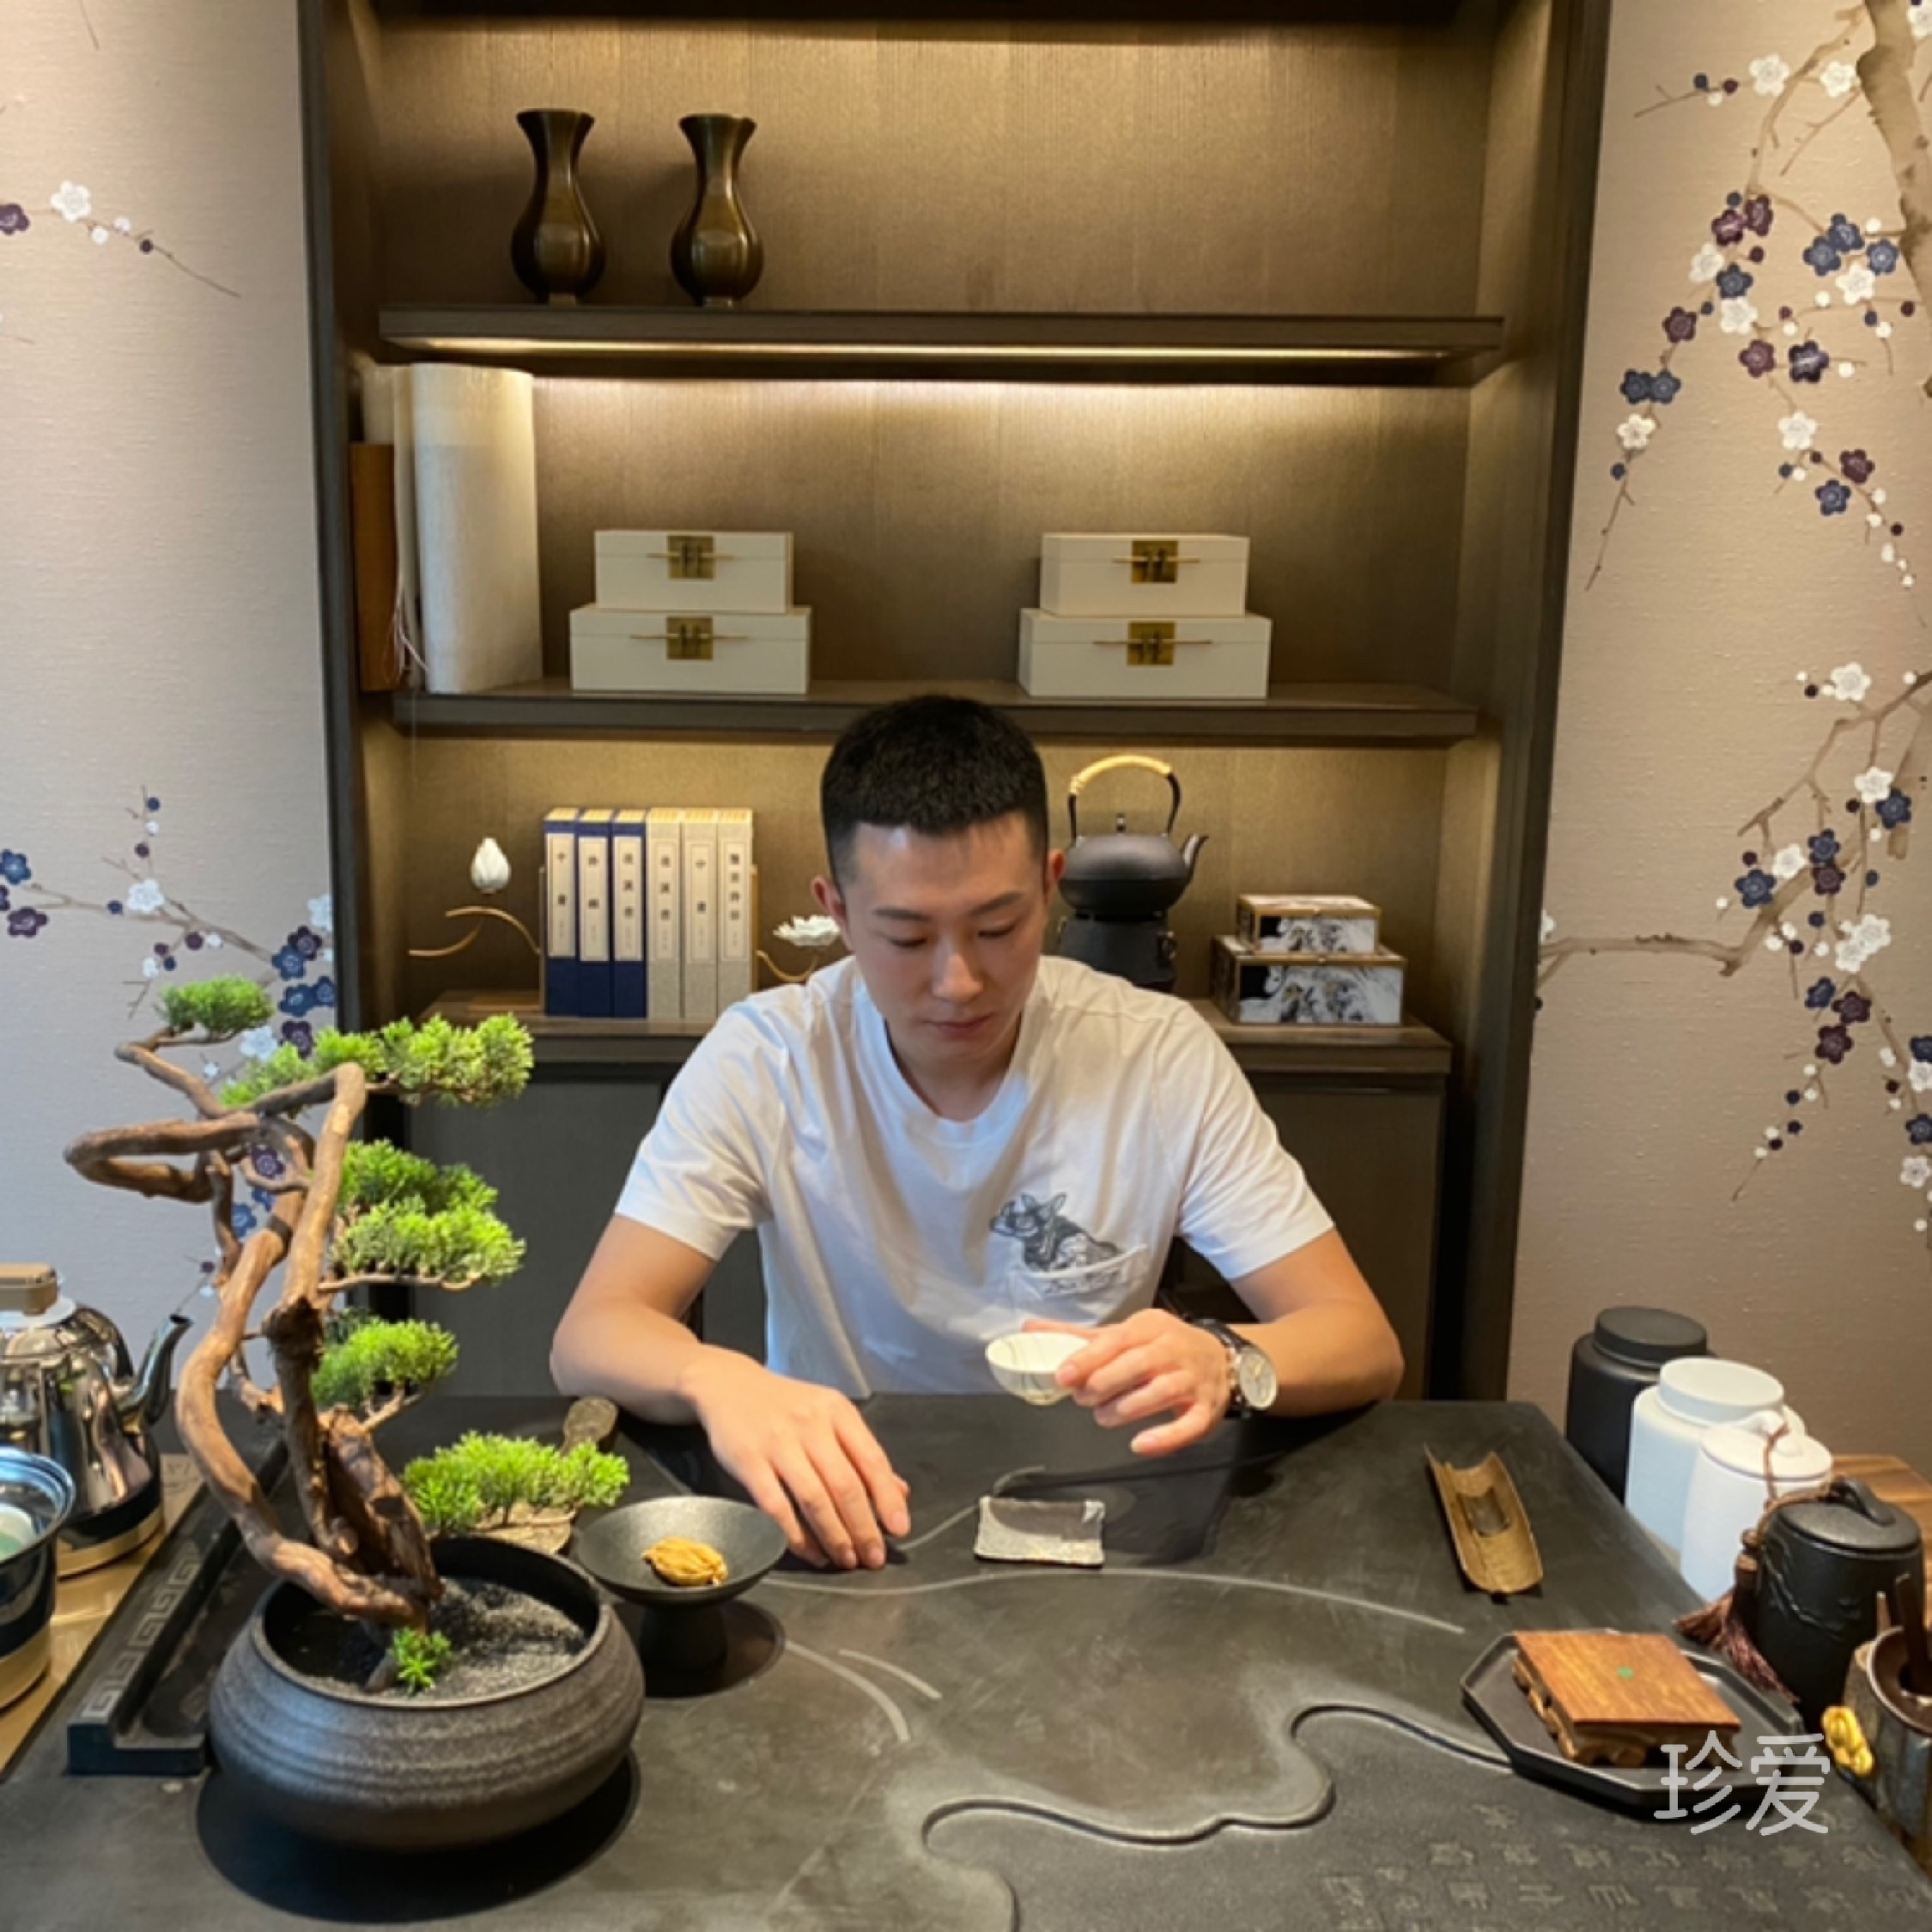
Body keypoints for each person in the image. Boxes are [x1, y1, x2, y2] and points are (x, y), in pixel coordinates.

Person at [551, 696, 1402, 1571]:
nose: (958, 981)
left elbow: (1360, 1338)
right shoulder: (767, 1058)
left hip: (1099, 1508)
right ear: (838, 911)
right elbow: (593, 1331)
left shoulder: (1155, 1055)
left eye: (998, 928)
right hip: (840, 1507)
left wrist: (1225, 1359)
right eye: (906, 937)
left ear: (1050, 887)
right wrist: (720, 1379)